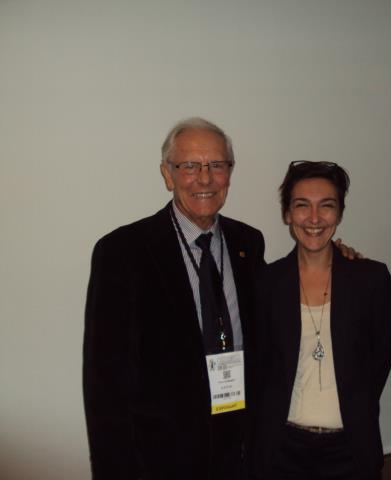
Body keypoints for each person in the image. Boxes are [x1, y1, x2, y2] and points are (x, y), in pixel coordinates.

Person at [83, 119, 357, 479]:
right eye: (189, 166)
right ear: (168, 174)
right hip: (161, 458)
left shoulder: (247, 243)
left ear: (230, 173)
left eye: (217, 165)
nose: (205, 178)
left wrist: (336, 257)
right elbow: (105, 382)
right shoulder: (123, 252)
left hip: (240, 449)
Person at [250, 161, 391, 480]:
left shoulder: (371, 280)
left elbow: (379, 362)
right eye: (302, 206)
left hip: (351, 450)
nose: (314, 219)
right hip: (281, 450)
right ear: (287, 213)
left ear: (340, 213)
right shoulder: (265, 283)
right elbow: (259, 368)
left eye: (326, 206)